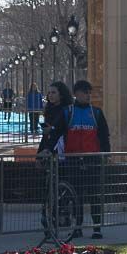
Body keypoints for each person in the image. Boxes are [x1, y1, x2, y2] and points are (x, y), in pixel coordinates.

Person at [50, 80, 111, 239]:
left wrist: (106, 155)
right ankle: (77, 227)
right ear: (76, 94)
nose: (88, 95)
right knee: (76, 196)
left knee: (95, 196)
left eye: (89, 92)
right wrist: (48, 150)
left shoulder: (97, 113)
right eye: (85, 92)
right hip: (74, 161)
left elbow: (104, 136)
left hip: (93, 161)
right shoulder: (67, 112)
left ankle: (97, 228)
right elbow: (55, 133)